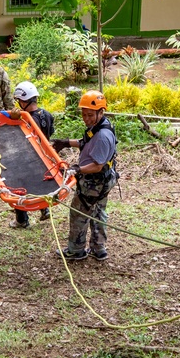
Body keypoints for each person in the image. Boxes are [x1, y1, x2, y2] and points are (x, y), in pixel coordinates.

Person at [50, 90, 117, 261]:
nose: (86, 118)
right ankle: (99, 248)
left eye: (90, 115)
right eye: (84, 114)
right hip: (104, 180)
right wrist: (65, 143)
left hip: (95, 181)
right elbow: (84, 143)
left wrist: (78, 169)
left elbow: (97, 166)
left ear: (101, 112)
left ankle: (76, 249)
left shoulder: (102, 136)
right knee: (98, 212)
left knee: (79, 212)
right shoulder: (99, 126)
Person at [10, 80, 55, 229]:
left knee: (18, 186)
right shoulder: (46, 115)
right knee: (40, 183)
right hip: (44, 157)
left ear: (24, 101)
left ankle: (21, 219)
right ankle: (44, 209)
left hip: (28, 158)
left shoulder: (25, 119)